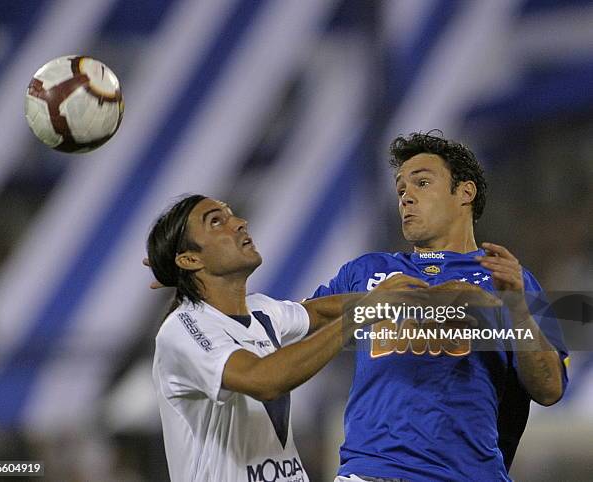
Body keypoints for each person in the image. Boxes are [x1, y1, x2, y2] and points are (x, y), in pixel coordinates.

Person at [311, 132, 570, 482]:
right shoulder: (367, 272)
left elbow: (550, 389)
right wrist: (368, 306)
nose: (406, 197)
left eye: (421, 183)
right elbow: (293, 328)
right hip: (369, 472)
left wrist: (514, 307)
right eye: (401, 189)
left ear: (465, 193)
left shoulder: (509, 278)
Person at [145, 194, 434, 482]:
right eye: (216, 222)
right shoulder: (183, 329)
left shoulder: (260, 309)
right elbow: (263, 380)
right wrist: (363, 312)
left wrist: (394, 300)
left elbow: (318, 312)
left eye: (231, 214)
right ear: (190, 259)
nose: (240, 223)